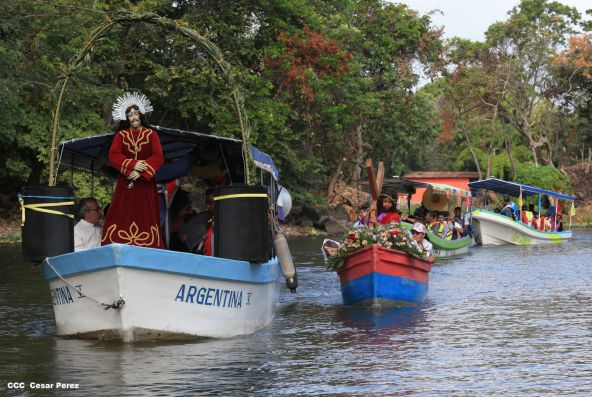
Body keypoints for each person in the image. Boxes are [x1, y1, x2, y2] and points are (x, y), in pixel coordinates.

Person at [101, 93, 165, 248]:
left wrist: (141, 172)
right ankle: (118, 243)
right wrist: (132, 165)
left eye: (136, 114)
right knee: (122, 210)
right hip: (125, 181)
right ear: (126, 118)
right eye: (130, 115)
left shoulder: (151, 135)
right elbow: (114, 155)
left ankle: (148, 246)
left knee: (145, 212)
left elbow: (158, 157)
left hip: (145, 184)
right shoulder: (121, 136)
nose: (133, 117)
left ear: (141, 115)